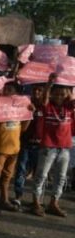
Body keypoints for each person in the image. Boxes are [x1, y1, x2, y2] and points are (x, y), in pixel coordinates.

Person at [0, 82, 33, 215]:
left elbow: (24, 129)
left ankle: (4, 200)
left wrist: (29, 113)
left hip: (14, 148)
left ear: (16, 94)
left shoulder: (20, 108)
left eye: (9, 90)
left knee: (7, 176)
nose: (5, 92)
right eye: (5, 89)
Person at [30, 76, 74, 217]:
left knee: (61, 176)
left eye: (62, 94)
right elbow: (44, 99)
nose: (59, 97)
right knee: (41, 176)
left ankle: (54, 202)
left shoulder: (69, 108)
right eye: (56, 94)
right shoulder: (48, 107)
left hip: (64, 148)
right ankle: (36, 202)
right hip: (48, 147)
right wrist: (49, 83)